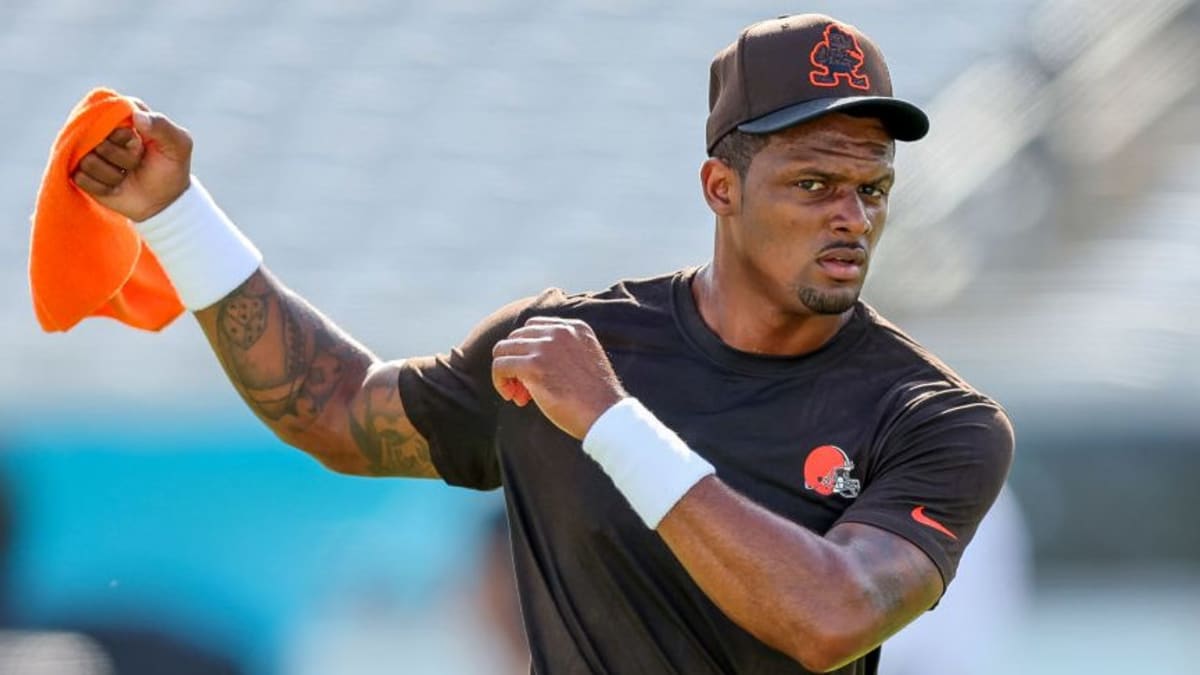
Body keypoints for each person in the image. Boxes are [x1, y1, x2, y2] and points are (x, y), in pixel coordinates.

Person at [70, 13, 1013, 675]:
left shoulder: (936, 419)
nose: (850, 216)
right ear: (720, 187)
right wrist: (177, 218)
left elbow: (830, 616)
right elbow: (336, 411)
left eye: (872, 188)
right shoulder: (565, 342)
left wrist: (610, 422)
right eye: (813, 184)